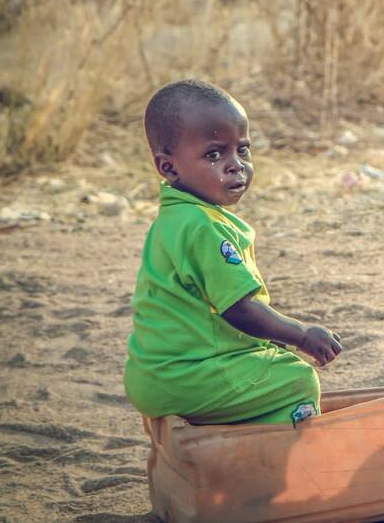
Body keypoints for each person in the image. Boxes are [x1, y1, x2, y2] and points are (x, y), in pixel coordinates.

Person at [124, 80, 343, 426]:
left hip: (156, 373)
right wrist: (301, 334)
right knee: (297, 379)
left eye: (242, 150)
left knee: (269, 357)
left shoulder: (177, 218)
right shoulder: (204, 228)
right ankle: (274, 460)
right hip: (187, 376)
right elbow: (239, 309)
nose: (235, 165)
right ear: (168, 168)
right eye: (214, 154)